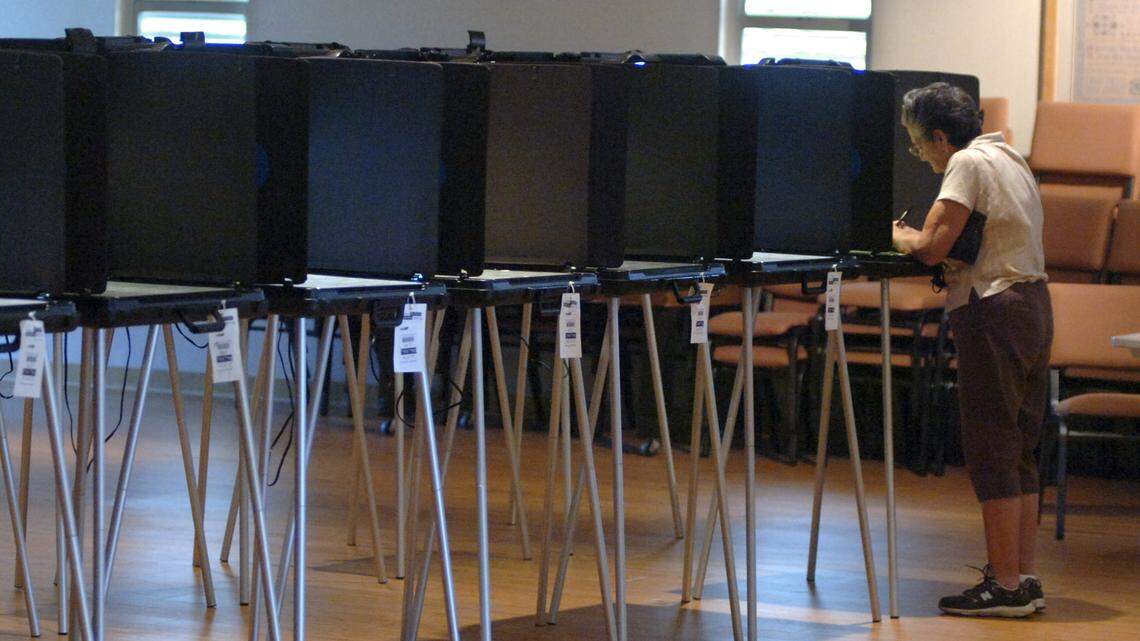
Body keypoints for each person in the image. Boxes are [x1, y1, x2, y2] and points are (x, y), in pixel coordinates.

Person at [892, 82, 1052, 618]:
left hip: (993, 308)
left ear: (940, 137)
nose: (920, 154)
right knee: (1021, 446)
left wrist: (897, 235)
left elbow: (932, 245)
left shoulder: (966, 163)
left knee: (991, 445)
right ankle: (1023, 578)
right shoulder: (1010, 156)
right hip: (1034, 304)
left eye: (919, 144)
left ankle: (1003, 585)